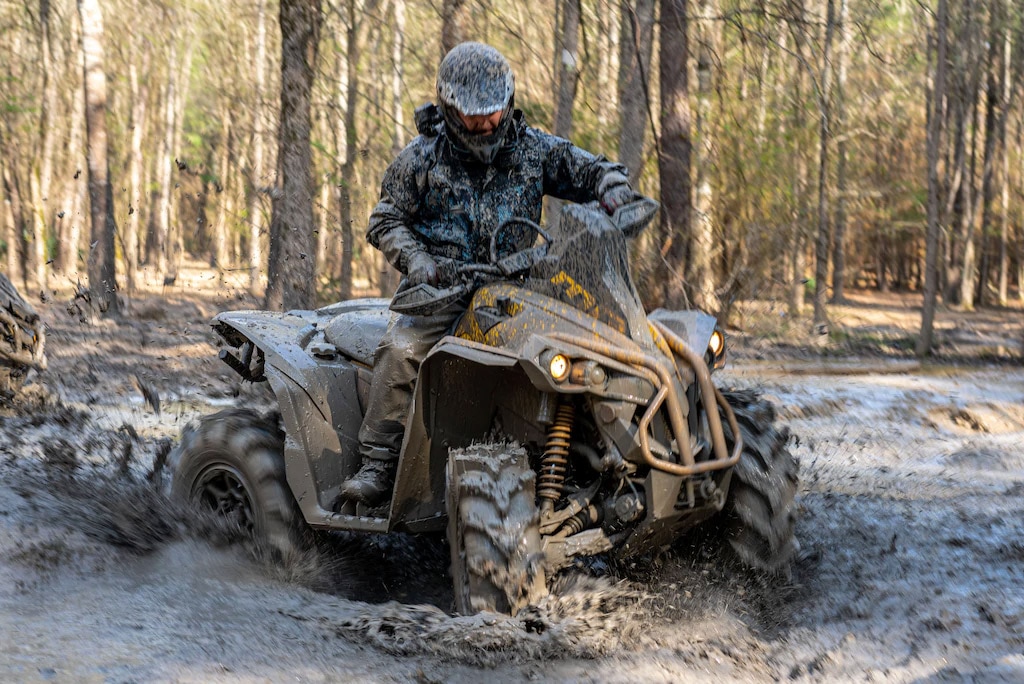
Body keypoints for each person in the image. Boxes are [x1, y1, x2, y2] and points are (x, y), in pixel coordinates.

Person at [340, 41, 637, 505]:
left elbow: (590, 171)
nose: (486, 123)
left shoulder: (534, 150)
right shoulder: (422, 158)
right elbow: (384, 220)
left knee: (586, 346)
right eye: (474, 115)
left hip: (518, 287)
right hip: (443, 292)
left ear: (508, 101)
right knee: (400, 349)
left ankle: (598, 449)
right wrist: (419, 261)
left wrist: (613, 187)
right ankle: (378, 461)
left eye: (493, 112)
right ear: (450, 109)